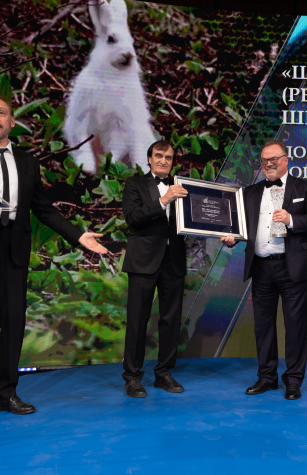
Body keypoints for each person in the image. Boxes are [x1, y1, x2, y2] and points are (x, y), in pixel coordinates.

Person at [0, 93, 108, 429]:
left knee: (14, 323)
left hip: (13, 249)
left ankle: (6, 393)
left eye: (1, 112)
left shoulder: (27, 161)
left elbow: (42, 208)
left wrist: (78, 236)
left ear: (12, 121)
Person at [220, 140, 307, 400]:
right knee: (263, 325)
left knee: (295, 326)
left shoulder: (305, 187)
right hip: (261, 267)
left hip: (293, 267)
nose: (268, 164)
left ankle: (293, 381)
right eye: (264, 160)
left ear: (286, 160)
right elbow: (242, 227)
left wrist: (291, 220)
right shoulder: (250, 192)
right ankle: (267, 377)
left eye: (274, 159)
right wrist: (233, 238)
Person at [120, 140, 188, 398]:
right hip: (143, 260)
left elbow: (196, 218)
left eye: (168, 157)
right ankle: (132, 376)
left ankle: (164, 373)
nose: (163, 160)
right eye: (158, 156)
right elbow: (133, 218)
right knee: (137, 319)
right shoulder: (135, 184)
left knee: (171, 320)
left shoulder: (182, 187)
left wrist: (223, 232)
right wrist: (163, 200)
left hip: (174, 260)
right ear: (149, 159)